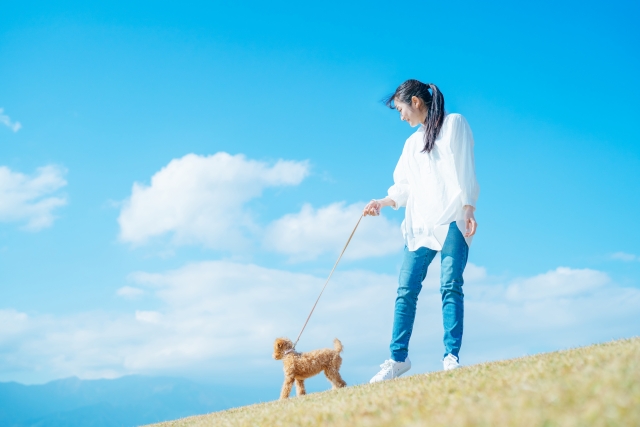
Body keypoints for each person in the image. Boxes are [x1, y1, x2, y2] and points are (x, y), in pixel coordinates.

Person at [364, 79, 479, 382]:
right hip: (420, 224)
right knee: (405, 291)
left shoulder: (454, 124)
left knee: (450, 286)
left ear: (415, 101)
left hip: (452, 215)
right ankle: (398, 359)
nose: (401, 116)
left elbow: (465, 167)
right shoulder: (411, 144)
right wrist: (383, 201)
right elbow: (403, 187)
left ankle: (451, 356)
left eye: (401, 109)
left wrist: (468, 207)